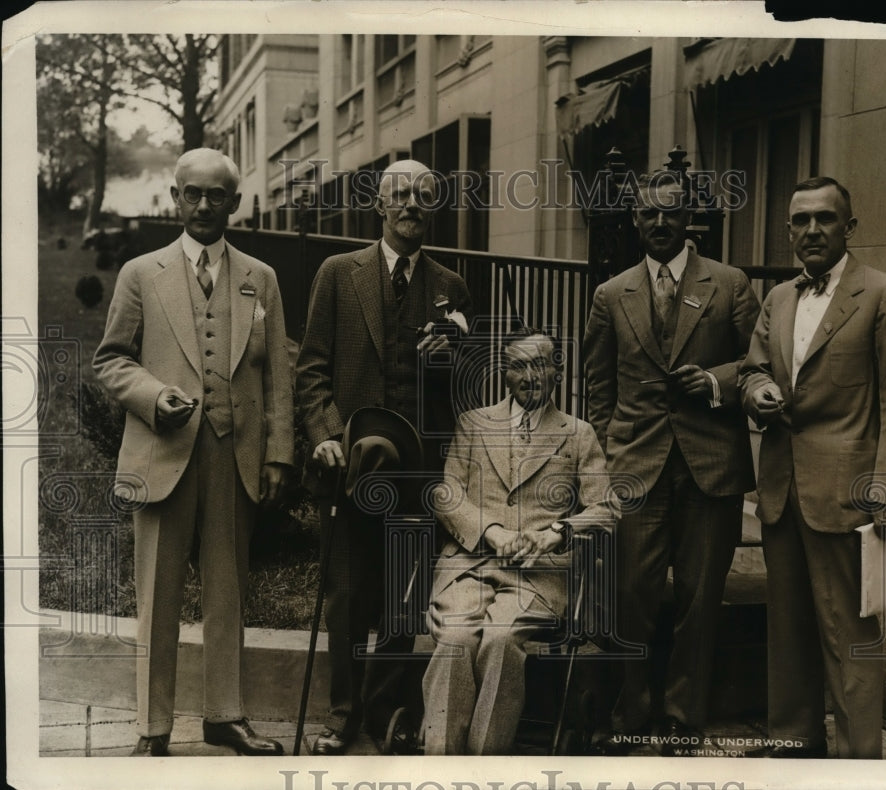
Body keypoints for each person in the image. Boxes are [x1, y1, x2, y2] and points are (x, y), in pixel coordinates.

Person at [93, 148, 294, 756]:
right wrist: (155, 397)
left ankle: (223, 716)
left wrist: (279, 453)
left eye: (217, 195)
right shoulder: (140, 273)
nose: (204, 205)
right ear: (176, 199)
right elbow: (110, 360)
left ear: (235, 203)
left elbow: (277, 376)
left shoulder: (262, 277)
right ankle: (153, 729)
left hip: (233, 457)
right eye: (193, 194)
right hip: (162, 454)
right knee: (156, 594)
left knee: (228, 590)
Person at [739, 176, 886, 759]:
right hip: (781, 490)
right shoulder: (779, 299)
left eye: (825, 219)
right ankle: (792, 743)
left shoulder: (885, 294)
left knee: (851, 637)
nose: (812, 230)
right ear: (789, 229)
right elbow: (750, 369)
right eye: (801, 220)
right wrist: (760, 388)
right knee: (787, 630)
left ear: (849, 228)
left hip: (849, 498)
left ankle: (856, 763)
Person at [296, 159, 474, 754]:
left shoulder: (451, 286)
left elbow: (461, 395)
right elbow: (312, 368)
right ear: (379, 204)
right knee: (347, 598)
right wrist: (325, 434)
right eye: (400, 195)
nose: (411, 207)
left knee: (403, 597)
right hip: (352, 465)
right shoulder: (338, 273)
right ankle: (341, 712)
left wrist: (452, 355)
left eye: (424, 196)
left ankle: (383, 714)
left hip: (417, 471)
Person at [582, 170, 760, 752]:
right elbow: (598, 388)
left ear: (690, 220)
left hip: (711, 465)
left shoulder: (729, 284)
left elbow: (760, 362)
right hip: (637, 467)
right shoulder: (612, 293)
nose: (660, 223)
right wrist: (611, 455)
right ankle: (630, 710)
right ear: (635, 221)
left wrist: (714, 381)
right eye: (648, 213)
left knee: (699, 596)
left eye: (671, 212)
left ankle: (684, 714)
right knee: (629, 594)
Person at [422, 329, 618, 754]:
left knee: (500, 639)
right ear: (504, 374)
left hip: (538, 577)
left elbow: (607, 511)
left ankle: (482, 767)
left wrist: (557, 533)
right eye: (518, 366)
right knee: (455, 638)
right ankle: (439, 765)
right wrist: (492, 533)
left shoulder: (578, 434)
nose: (529, 376)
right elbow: (447, 493)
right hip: (469, 568)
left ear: (557, 372)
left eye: (540, 364)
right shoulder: (474, 423)